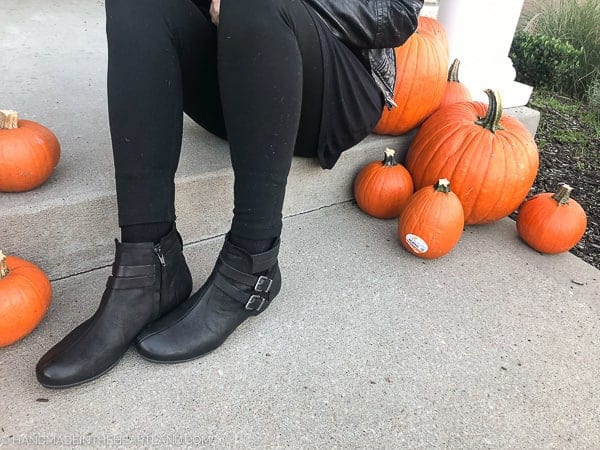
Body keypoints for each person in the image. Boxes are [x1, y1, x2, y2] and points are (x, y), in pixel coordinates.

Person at [36, 0, 423, 388]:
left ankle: (252, 264)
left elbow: (394, 14)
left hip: (334, 87)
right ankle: (148, 268)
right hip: (237, 72)